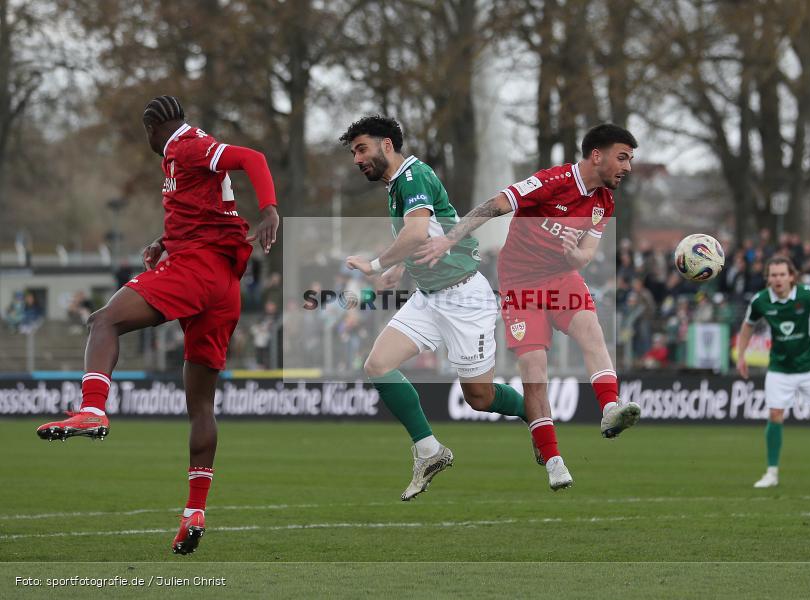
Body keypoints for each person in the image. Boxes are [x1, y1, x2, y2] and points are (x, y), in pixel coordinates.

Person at [35, 95, 280, 555]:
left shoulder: (185, 145)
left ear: (153, 130)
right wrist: (163, 240)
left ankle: (92, 407)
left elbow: (252, 157)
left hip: (197, 270)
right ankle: (194, 510)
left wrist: (269, 209)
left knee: (103, 321)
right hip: (222, 284)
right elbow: (203, 209)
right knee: (200, 405)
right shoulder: (185, 155)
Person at [417, 123, 642, 491]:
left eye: (630, 160)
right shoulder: (551, 182)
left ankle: (609, 408)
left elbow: (585, 255)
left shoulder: (603, 202)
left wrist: (573, 254)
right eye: (623, 157)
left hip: (559, 276)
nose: (628, 167)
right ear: (597, 155)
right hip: (520, 284)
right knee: (534, 367)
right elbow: (494, 205)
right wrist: (449, 240)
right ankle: (553, 459)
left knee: (591, 330)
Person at [339, 115, 528, 500]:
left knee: (481, 397)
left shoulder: (412, 176)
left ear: (386, 145)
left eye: (361, 148)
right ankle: (429, 450)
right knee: (377, 365)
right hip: (428, 297)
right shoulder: (396, 186)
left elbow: (417, 232)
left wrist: (376, 266)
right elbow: (424, 240)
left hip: (464, 298)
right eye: (353, 152)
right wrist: (397, 268)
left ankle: (537, 417)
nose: (357, 158)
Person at [736, 255, 810, 489]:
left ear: (791, 276)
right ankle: (771, 473)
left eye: (782, 274)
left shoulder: (808, 294)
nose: (778, 279)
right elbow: (747, 327)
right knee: (775, 415)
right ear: (768, 278)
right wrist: (741, 355)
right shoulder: (760, 301)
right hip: (780, 368)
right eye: (773, 275)